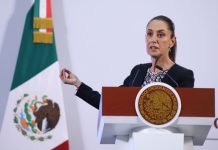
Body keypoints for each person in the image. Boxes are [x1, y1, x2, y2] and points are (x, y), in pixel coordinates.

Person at [60, 15, 195, 110]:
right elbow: (110, 104)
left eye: (160, 35)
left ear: (172, 41)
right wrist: (78, 83)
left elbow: (185, 116)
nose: (153, 39)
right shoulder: (138, 71)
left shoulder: (183, 75)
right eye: (149, 34)